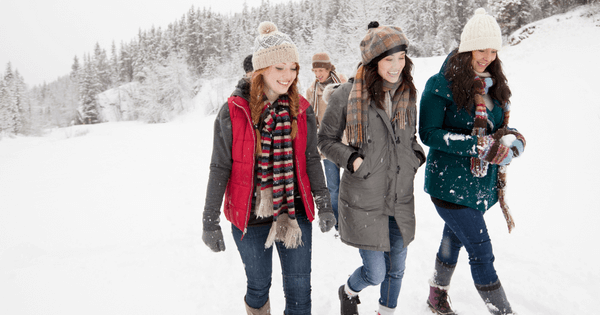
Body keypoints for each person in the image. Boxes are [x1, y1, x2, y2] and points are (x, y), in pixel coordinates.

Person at [202, 21, 336, 315]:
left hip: (294, 209)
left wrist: (324, 203)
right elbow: (219, 167)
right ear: (260, 69)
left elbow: (311, 159)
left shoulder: (301, 108)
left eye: (293, 68)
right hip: (250, 215)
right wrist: (209, 220)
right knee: (258, 286)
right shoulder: (234, 111)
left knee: (300, 290)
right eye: (279, 68)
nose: (288, 76)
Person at [418, 8, 526, 315]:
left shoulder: (494, 85)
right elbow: (429, 133)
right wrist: (476, 146)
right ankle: (503, 312)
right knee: (481, 250)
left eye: (493, 50)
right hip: (448, 184)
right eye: (481, 49)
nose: (487, 56)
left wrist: (512, 139)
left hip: (478, 184)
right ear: (466, 48)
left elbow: (498, 128)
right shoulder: (441, 84)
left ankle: (436, 295)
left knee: (454, 238)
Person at [318, 22, 425, 315]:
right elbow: (324, 140)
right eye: (388, 58)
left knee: (397, 269)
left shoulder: (408, 94)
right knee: (376, 273)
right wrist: (353, 160)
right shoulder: (347, 95)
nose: (396, 65)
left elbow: (410, 138)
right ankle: (349, 291)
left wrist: (415, 156)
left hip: (400, 197)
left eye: (401, 57)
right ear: (373, 61)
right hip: (365, 198)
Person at [305, 52, 347, 230]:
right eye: (315, 71)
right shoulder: (311, 91)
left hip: (346, 143)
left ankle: (351, 221)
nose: (318, 74)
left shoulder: (343, 84)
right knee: (333, 188)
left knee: (351, 186)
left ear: (329, 69)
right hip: (327, 146)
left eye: (321, 70)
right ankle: (337, 223)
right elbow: (309, 119)